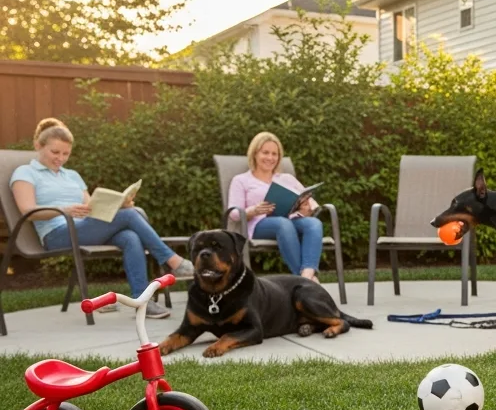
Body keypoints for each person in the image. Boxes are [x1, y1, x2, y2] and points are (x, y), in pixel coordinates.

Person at [9, 118, 195, 319]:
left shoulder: (72, 175)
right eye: (55, 152)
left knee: (130, 236)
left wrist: (119, 205)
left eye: (66, 153)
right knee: (133, 215)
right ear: (38, 146)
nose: (60, 158)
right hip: (57, 233)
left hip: (86, 229)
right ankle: (173, 262)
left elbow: (92, 209)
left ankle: (143, 302)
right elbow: (27, 211)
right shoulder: (25, 173)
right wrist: (65, 210)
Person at [226, 132, 323, 281]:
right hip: (259, 225)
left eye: (274, 154)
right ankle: (305, 281)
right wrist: (254, 210)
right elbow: (233, 213)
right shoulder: (241, 180)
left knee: (313, 223)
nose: (270, 158)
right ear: (255, 154)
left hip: (289, 220)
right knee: (282, 223)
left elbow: (308, 201)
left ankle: (307, 275)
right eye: (265, 153)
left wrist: (306, 209)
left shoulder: (286, 179)